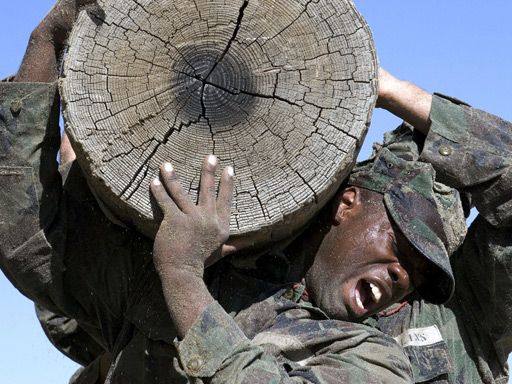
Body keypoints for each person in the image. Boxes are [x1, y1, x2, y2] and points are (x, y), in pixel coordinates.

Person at [1, 3, 510, 384]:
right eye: (403, 241)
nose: (405, 276)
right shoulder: (209, 278)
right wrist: (47, 37)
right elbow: (28, 240)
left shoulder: (444, 325)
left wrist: (398, 94)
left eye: (424, 273)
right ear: (345, 202)